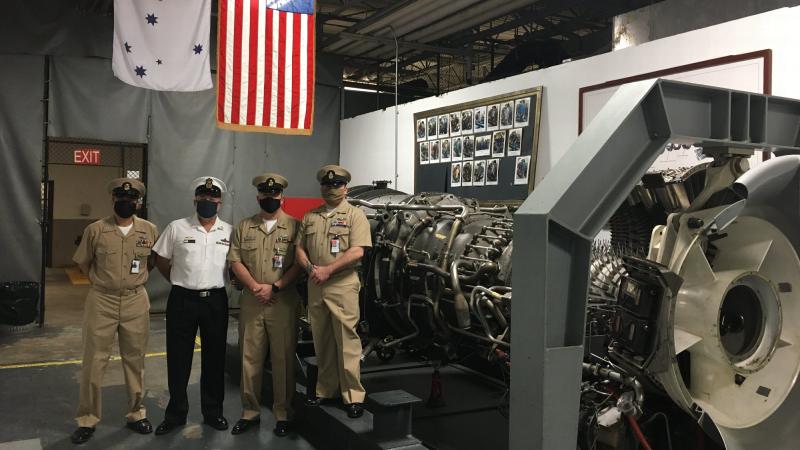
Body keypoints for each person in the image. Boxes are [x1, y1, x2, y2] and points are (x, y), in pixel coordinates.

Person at [70, 178, 158, 445]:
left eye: (131, 199)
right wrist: (105, 284)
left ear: (138, 202)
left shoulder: (149, 230)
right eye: (120, 198)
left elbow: (151, 262)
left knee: (135, 360)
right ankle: (87, 419)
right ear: (113, 200)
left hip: (135, 301)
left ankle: (136, 413)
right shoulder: (96, 229)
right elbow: (83, 264)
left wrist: (130, 283)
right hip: (102, 301)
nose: (126, 203)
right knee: (94, 362)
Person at [151, 177, 232, 435]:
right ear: (195, 199)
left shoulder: (229, 231)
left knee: (214, 359)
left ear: (220, 202)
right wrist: (179, 281)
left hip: (216, 301)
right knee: (178, 358)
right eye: (203, 197)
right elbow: (161, 259)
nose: (208, 201)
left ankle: (213, 412)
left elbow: (234, 266)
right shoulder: (177, 227)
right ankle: (175, 414)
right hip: (182, 300)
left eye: (213, 198)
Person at [295, 165, 372, 418]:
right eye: (327, 185)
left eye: (337, 184)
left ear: (345, 188)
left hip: (342, 284)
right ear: (321, 187)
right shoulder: (310, 217)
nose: (331, 188)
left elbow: (357, 251)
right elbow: (299, 249)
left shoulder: (355, 216)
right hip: (316, 284)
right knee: (322, 339)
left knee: (346, 341)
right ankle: (325, 389)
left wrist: (328, 270)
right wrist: (311, 269)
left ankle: (353, 395)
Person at [227, 173, 302, 436]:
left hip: (283, 301)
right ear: (258, 196)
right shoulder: (244, 227)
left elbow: (298, 264)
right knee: (250, 359)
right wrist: (256, 287)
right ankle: (250, 412)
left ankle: (283, 413)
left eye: (275, 194)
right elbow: (235, 261)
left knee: (283, 360)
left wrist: (276, 286)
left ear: (282, 197)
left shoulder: (295, 227)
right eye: (265, 194)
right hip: (252, 301)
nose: (270, 198)